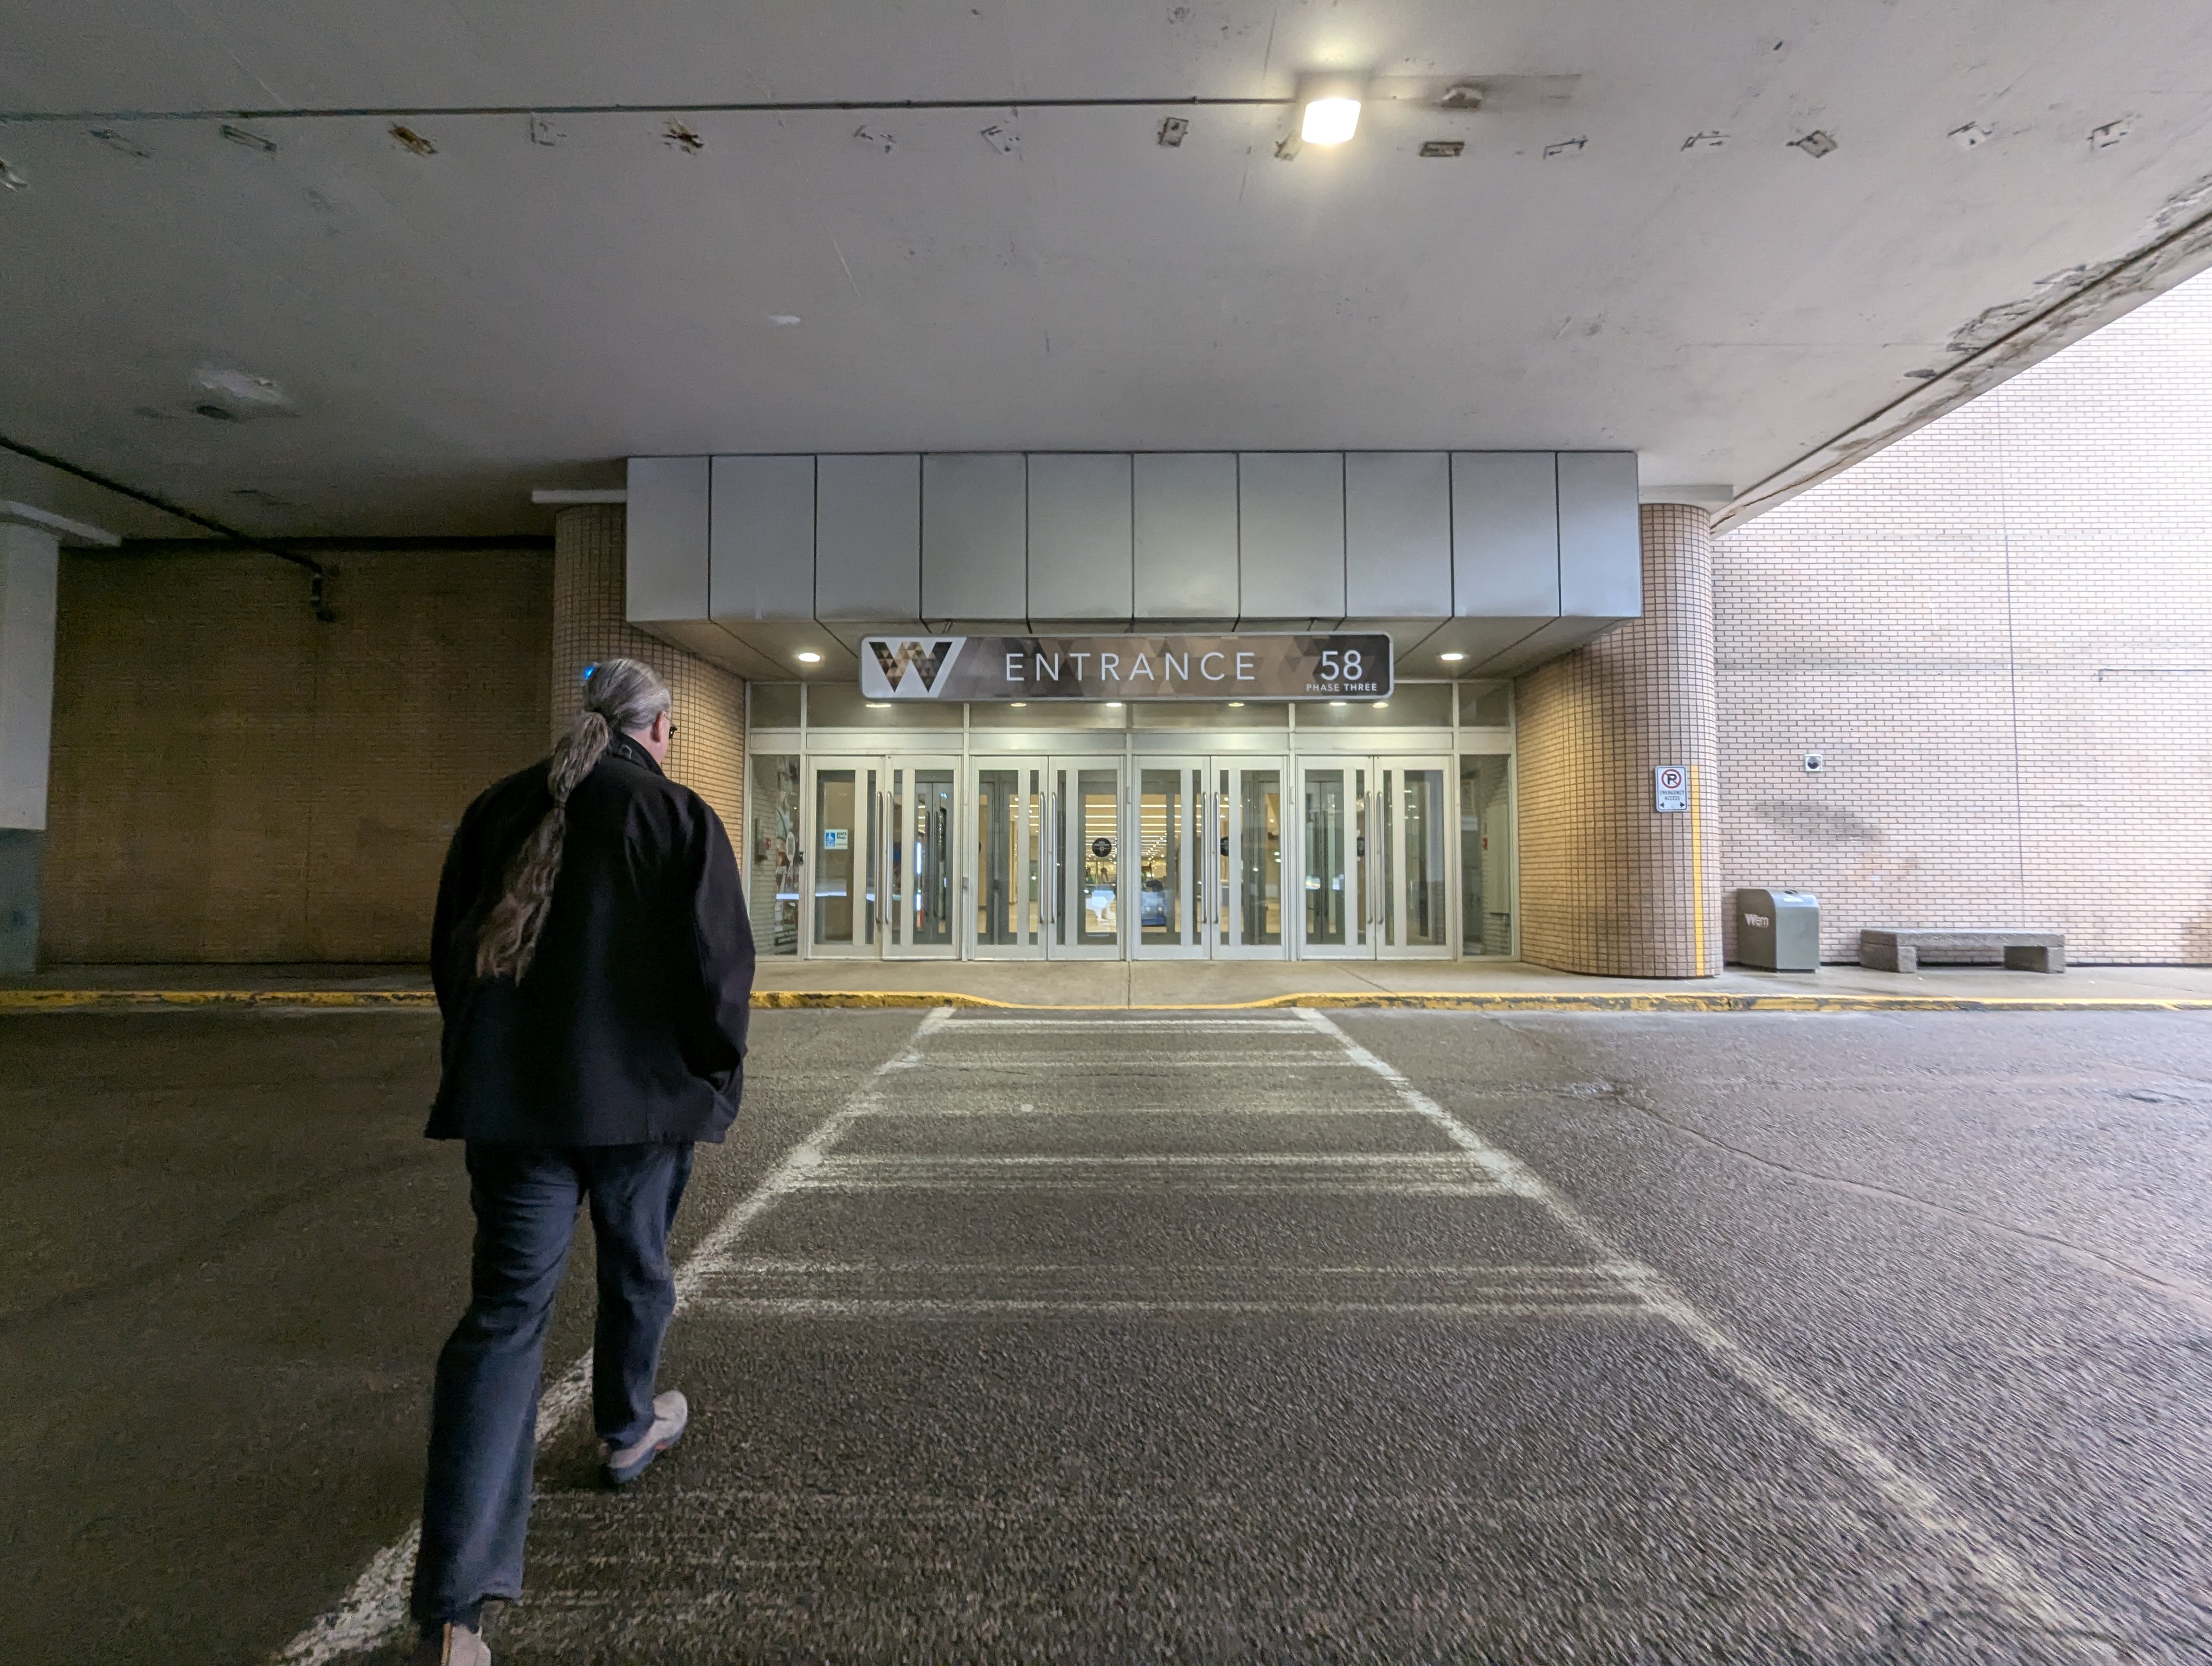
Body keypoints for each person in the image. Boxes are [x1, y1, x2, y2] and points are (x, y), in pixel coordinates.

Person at [409, 658, 755, 1665]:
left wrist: (487, 1063)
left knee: (503, 1320)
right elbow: (717, 973)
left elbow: (452, 954)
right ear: (659, 730)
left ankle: (454, 1613)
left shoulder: (497, 808)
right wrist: (710, 1078)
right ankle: (627, 1428)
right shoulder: (676, 815)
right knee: (637, 1270)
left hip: (513, 1108)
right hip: (638, 1107)